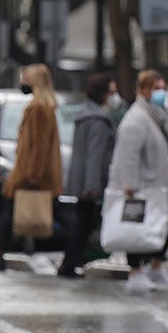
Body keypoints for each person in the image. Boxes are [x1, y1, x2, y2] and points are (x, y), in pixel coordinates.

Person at [0, 63, 62, 271]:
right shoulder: (42, 106)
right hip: (27, 170)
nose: (23, 82)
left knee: (7, 214)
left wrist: (33, 174)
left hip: (27, 173)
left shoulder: (38, 108)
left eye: (26, 78)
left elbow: (39, 145)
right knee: (10, 213)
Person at [108, 70, 168, 293]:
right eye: (155, 88)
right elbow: (127, 155)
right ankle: (136, 271)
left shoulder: (158, 114)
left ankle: (156, 265)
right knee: (136, 227)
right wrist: (129, 184)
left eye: (162, 87)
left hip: (163, 182)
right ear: (143, 90)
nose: (160, 92)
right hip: (144, 184)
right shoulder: (137, 117)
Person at [57, 73, 116, 278]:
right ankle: (69, 265)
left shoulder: (84, 115)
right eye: (111, 91)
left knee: (82, 224)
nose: (113, 96)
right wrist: (93, 187)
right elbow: (95, 155)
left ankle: (71, 263)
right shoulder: (98, 120)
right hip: (90, 184)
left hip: (82, 182)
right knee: (83, 225)